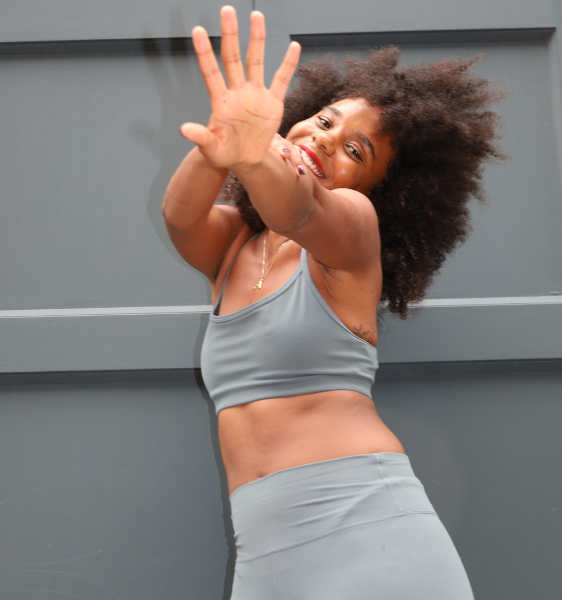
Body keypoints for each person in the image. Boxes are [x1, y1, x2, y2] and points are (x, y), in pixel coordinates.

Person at [162, 6, 504, 599]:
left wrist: (254, 159)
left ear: (378, 192)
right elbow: (179, 217)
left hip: (370, 538)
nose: (324, 139)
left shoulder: (350, 237)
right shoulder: (236, 246)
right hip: (263, 556)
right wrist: (220, 147)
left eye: (356, 150)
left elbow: (298, 209)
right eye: (324, 119)